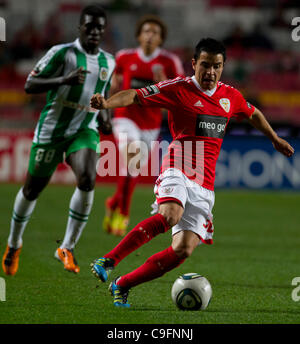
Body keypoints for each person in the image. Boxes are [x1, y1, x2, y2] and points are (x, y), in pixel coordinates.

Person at [90, 38, 294, 307]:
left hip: (205, 182)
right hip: (178, 164)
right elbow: (135, 96)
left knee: (182, 249)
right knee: (169, 215)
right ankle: (109, 259)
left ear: (223, 67)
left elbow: (252, 112)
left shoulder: (229, 96)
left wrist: (274, 138)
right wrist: (106, 104)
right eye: (206, 65)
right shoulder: (177, 88)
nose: (211, 72)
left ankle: (122, 284)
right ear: (194, 64)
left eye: (217, 66)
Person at [2, 4, 115, 275]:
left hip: (84, 130)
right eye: (89, 26)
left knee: (88, 179)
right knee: (32, 190)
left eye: (100, 27)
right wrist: (63, 79)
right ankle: (14, 243)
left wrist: (105, 116)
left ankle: (67, 247)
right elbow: (30, 85)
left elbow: (104, 92)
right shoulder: (62, 53)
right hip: (52, 132)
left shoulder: (109, 62)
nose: (95, 32)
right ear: (80, 27)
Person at [103, 15, 184, 237]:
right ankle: (124, 214)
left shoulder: (169, 62)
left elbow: (181, 97)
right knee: (134, 157)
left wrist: (163, 84)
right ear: (139, 35)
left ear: (161, 39)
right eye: (146, 31)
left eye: (155, 33)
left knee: (132, 167)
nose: (149, 36)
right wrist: (110, 94)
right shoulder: (124, 57)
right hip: (124, 118)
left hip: (150, 124)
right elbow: (113, 86)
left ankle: (113, 202)